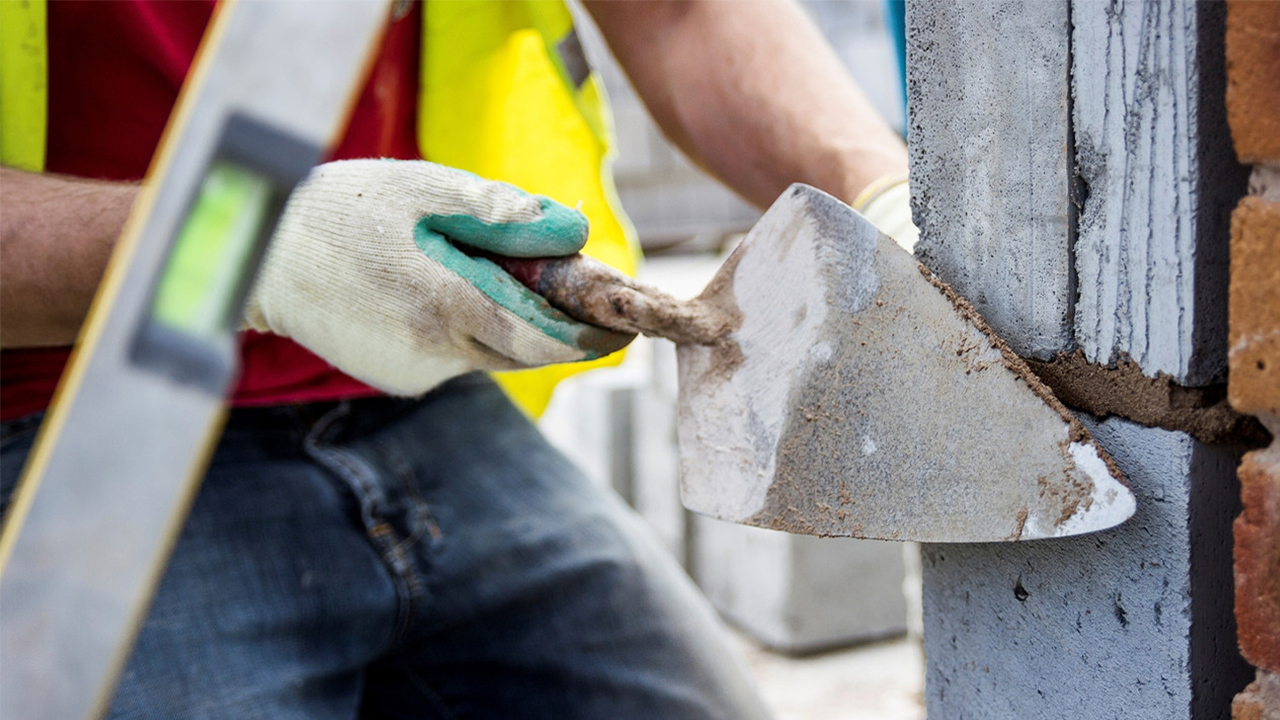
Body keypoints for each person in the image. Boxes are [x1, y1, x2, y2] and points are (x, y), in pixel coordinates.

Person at [0, 1, 912, 717]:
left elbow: (677, 13)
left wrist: (879, 200)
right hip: (63, 417)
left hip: (415, 388)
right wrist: (246, 248)